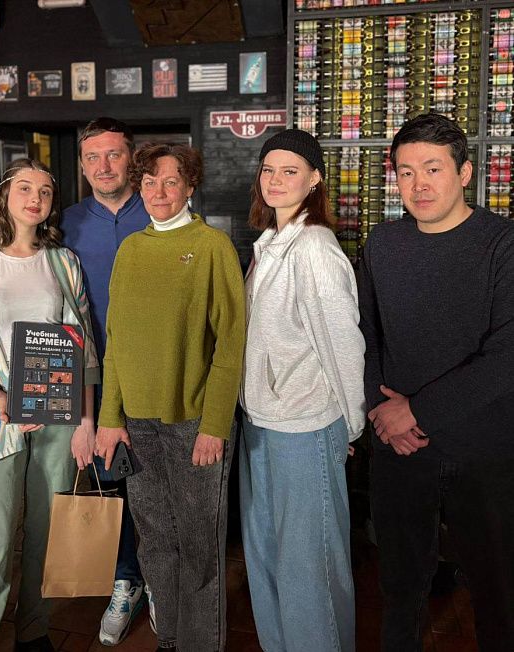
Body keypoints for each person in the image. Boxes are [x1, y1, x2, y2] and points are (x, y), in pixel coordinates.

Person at [359, 113, 514, 652]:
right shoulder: (383, 243)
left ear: (465, 172)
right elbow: (366, 335)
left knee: (497, 594)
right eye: (405, 172)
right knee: (399, 590)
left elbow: (506, 355)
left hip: (484, 453)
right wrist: (382, 415)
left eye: (432, 168)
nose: (418, 184)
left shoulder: (502, 243)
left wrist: (416, 412)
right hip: (400, 451)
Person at [0, 158, 99, 652]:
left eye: (45, 191)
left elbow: (84, 348)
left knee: (48, 530)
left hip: (57, 413)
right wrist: (0, 396)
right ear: (3, 196)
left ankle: (34, 631)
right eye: (24, 188)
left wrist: (86, 420)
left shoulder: (63, 263)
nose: (35, 198)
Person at [95, 143, 246, 652]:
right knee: (156, 540)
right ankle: (171, 639)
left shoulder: (211, 246)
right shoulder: (131, 249)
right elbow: (116, 340)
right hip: (136, 425)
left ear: (189, 186)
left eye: (171, 181)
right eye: (149, 182)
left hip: (193, 423)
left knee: (199, 545)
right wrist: (110, 417)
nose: (159, 192)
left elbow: (231, 343)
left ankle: (201, 644)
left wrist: (215, 425)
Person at [239, 130, 365, 652]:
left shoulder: (314, 247)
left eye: (289, 171)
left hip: (304, 425)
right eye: (268, 169)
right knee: (267, 558)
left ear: (314, 179)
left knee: (309, 568)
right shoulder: (270, 242)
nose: (275, 180)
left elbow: (344, 344)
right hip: (261, 421)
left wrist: (350, 425)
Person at [61, 117, 150, 646]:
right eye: (93, 157)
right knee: (108, 482)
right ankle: (125, 580)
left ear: (131, 158)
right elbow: (15, 251)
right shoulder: (65, 222)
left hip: (154, 376)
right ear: (82, 165)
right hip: (92, 380)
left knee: (156, 487)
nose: (104, 166)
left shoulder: (162, 209)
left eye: (114, 154)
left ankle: (159, 579)